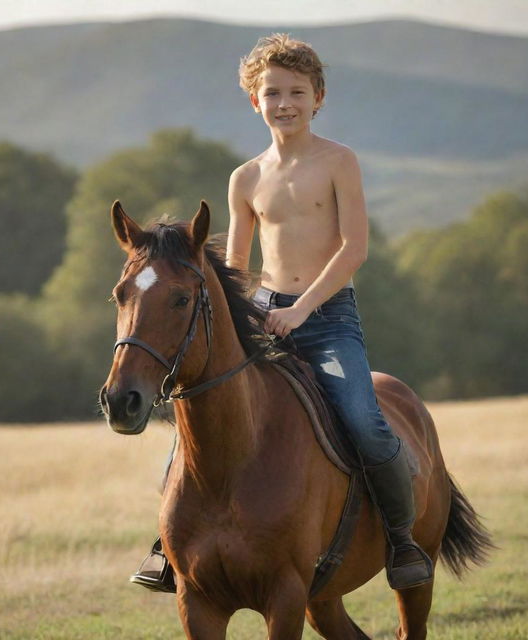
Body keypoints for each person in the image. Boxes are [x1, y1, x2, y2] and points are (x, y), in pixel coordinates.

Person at [130, 33, 432, 593]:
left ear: (318, 97)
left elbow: (353, 251)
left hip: (329, 317)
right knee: (198, 420)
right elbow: (238, 264)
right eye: (272, 92)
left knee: (365, 422)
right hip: (264, 316)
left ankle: (401, 539)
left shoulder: (339, 161)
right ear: (255, 102)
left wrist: (302, 311)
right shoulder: (245, 178)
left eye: (297, 91)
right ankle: (169, 548)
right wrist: (245, 313)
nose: (285, 102)